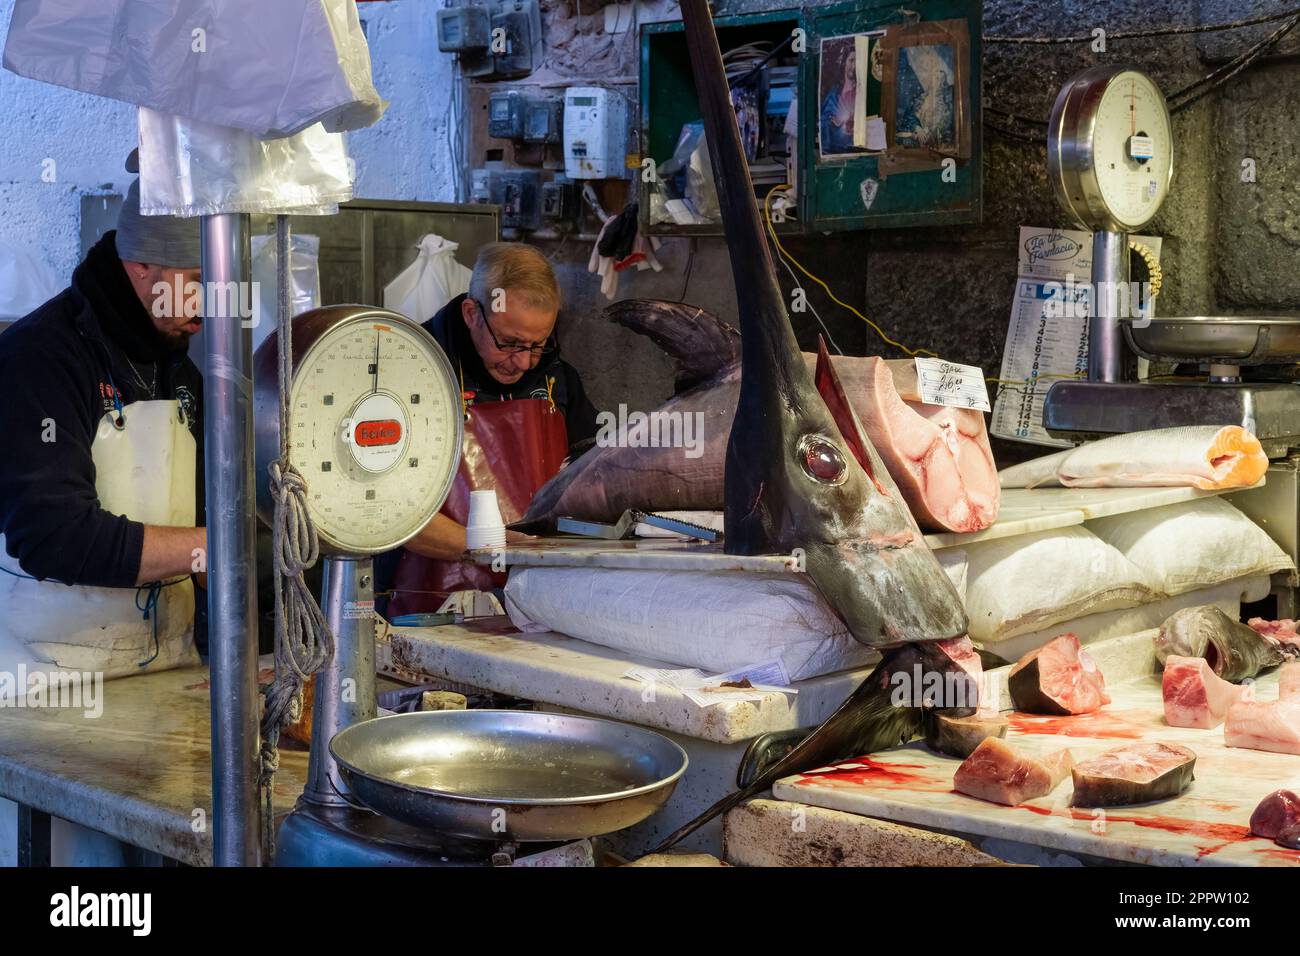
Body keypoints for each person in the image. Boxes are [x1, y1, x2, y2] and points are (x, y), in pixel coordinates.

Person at [0, 153, 207, 678]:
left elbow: (209, 514)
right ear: (139, 266)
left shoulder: (183, 372)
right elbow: (53, 534)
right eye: (197, 279)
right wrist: (212, 549)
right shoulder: (42, 358)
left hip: (170, 663)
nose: (209, 303)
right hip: (49, 676)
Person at [382, 242, 597, 615]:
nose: (523, 362)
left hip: (529, 599)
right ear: (471, 313)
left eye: (537, 345)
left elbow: (592, 473)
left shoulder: (556, 376)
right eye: (510, 343)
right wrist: (487, 546)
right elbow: (385, 507)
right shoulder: (411, 369)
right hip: (422, 604)